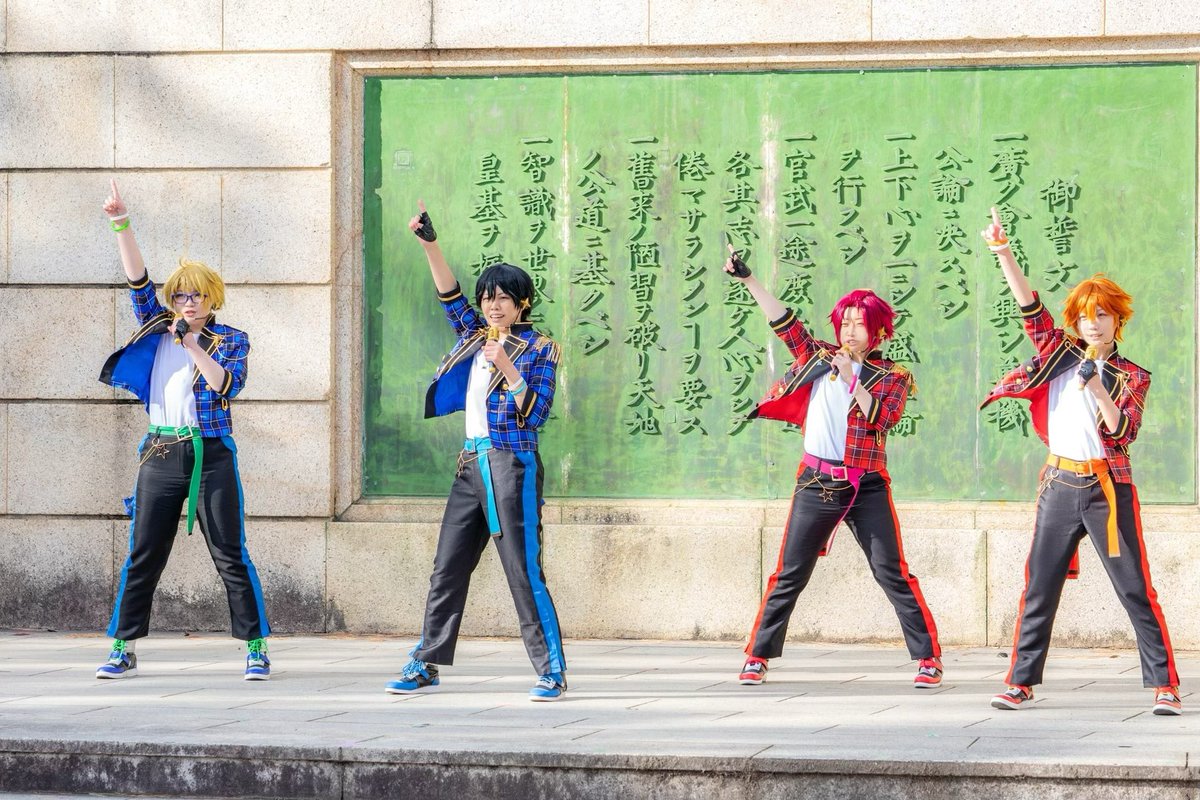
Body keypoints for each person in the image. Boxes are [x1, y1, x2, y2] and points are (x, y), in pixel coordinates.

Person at [979, 207, 1180, 714]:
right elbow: (1029, 306)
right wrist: (1003, 251)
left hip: (1107, 490)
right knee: (1040, 587)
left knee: (1134, 588)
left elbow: (1124, 431)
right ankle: (1021, 682)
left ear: (1117, 320)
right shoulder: (1058, 353)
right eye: (1086, 316)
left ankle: (1164, 685)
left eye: (1103, 315)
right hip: (1059, 486)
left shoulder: (1132, 376)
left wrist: (1098, 389)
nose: (1094, 323)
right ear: (1077, 320)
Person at [725, 245, 942, 689]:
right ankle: (757, 656)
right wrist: (749, 280)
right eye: (845, 322)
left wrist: (852, 380)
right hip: (816, 482)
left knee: (892, 572)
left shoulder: (893, 377)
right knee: (790, 573)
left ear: (877, 331)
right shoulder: (817, 357)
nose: (850, 330)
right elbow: (784, 322)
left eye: (859, 323)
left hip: (867, 486)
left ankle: (928, 659)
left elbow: (884, 419)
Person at [386, 201, 567, 701]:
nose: (493, 306)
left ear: (523, 303)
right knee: (447, 567)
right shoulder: (475, 335)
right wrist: (430, 244)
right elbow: (450, 296)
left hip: (512, 465)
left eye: (504, 299)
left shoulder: (540, 349)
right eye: (488, 298)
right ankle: (426, 662)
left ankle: (551, 670)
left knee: (523, 569)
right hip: (470, 464)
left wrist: (506, 365)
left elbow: (536, 413)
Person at [95, 179, 271, 681]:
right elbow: (137, 278)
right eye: (181, 296)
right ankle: (123, 646)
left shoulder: (230, 339)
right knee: (143, 553)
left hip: (211, 454)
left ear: (213, 298)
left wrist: (192, 343)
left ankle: (256, 646)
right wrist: (121, 222)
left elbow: (225, 386)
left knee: (230, 554)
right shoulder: (157, 326)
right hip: (160, 451)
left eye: (197, 295)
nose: (188, 303)